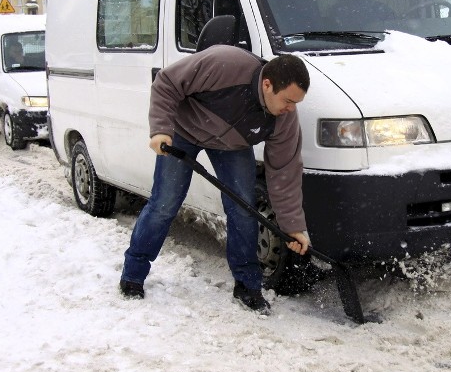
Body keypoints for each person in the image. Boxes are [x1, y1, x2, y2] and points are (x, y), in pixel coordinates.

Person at [119, 44, 311, 314]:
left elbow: (285, 170)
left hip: (232, 145)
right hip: (184, 130)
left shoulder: (284, 119)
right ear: (267, 85)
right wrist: (160, 130)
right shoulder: (225, 64)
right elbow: (167, 82)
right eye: (288, 101)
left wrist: (293, 226)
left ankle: (247, 285)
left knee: (244, 208)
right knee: (165, 204)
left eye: (296, 103)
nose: (291, 109)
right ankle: (133, 275)